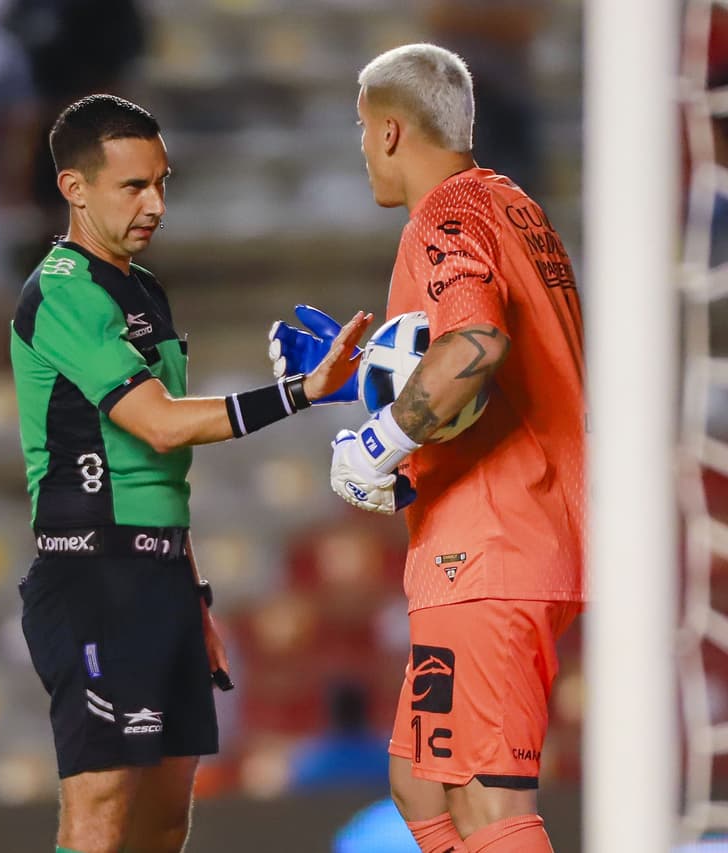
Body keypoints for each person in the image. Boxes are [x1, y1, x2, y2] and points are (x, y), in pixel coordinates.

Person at [10, 93, 372, 853]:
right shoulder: (62, 291)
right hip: (92, 576)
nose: (156, 205)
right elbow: (160, 421)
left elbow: (162, 463)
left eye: (163, 183)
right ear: (75, 189)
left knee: (166, 816)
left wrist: (195, 592)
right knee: (102, 805)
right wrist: (301, 392)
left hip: (161, 577)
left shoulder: (145, 291)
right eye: (134, 186)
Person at [281, 44, 584, 852]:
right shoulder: (513, 209)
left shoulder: (443, 217)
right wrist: (362, 383)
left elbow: (475, 344)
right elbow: (486, 372)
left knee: (484, 800)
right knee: (421, 783)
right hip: (520, 527)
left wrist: (376, 441)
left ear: (386, 132)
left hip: (489, 547)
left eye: (358, 132)